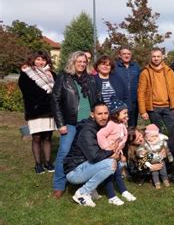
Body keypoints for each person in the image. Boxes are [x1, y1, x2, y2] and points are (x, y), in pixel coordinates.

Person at [51, 51, 98, 199]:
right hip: (69, 122)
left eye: (84, 62)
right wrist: (61, 124)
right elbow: (55, 101)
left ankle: (84, 182)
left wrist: (95, 113)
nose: (82, 64)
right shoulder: (63, 78)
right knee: (64, 152)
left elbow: (96, 98)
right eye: (79, 61)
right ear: (72, 62)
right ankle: (59, 185)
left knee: (86, 152)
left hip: (87, 123)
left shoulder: (90, 79)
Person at [63, 102, 119, 207]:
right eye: (100, 114)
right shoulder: (87, 130)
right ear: (92, 114)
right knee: (110, 163)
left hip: (83, 165)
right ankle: (82, 193)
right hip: (74, 171)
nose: (103, 117)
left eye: (106, 113)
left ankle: (91, 190)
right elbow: (94, 156)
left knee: (116, 162)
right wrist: (110, 153)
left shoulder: (98, 127)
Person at [18, 50, 57, 174]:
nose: (41, 62)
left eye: (43, 59)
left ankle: (47, 162)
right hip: (35, 110)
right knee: (37, 137)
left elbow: (56, 91)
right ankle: (38, 164)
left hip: (50, 111)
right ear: (33, 60)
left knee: (48, 137)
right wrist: (47, 99)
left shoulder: (52, 74)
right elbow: (29, 92)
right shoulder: (27, 73)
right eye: (38, 59)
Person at [97, 100, 137, 206]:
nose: (126, 115)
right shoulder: (111, 124)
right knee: (109, 175)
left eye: (126, 113)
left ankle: (124, 191)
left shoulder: (121, 124)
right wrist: (106, 148)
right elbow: (100, 135)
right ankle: (111, 196)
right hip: (109, 155)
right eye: (124, 113)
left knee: (118, 174)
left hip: (117, 154)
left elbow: (122, 138)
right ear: (116, 113)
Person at [138, 48, 174, 133]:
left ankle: (173, 146)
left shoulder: (169, 71)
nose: (156, 58)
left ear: (162, 57)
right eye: (154, 56)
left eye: (158, 56)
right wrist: (143, 111)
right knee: (156, 132)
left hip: (168, 107)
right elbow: (141, 92)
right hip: (153, 108)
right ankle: (160, 146)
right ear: (151, 57)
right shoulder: (145, 73)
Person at [135, 124, 172, 189]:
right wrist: (141, 153)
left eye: (156, 136)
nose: (155, 138)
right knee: (155, 174)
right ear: (147, 136)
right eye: (152, 136)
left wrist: (170, 157)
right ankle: (157, 183)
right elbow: (140, 149)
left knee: (163, 171)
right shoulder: (145, 144)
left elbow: (167, 149)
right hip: (152, 162)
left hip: (161, 160)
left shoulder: (161, 141)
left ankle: (165, 180)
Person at [115, 46, 141, 128]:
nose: (126, 56)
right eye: (124, 54)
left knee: (132, 125)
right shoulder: (114, 67)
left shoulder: (136, 67)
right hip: (120, 100)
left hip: (134, 100)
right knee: (119, 124)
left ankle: (132, 139)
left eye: (128, 54)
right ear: (119, 55)